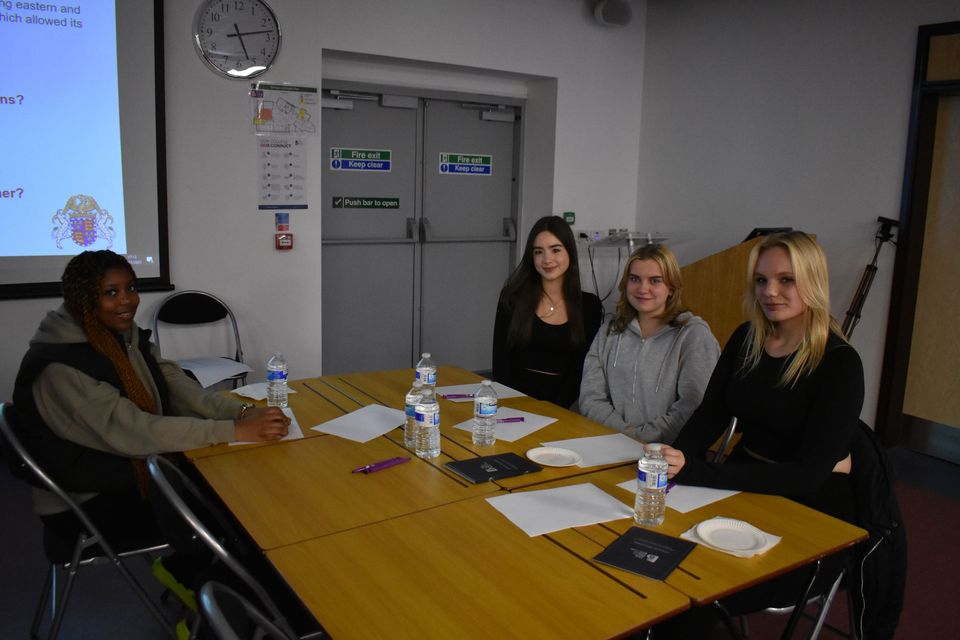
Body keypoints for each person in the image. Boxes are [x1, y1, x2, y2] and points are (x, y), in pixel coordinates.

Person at [9, 250, 289, 597]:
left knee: (232, 490)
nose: (127, 301)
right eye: (110, 292)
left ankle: (187, 573)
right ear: (83, 298)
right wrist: (233, 431)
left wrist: (239, 413)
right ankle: (213, 599)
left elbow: (177, 387)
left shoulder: (123, 336)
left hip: (118, 468)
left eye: (131, 288)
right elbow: (137, 430)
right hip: (87, 501)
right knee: (236, 513)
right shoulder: (60, 368)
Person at [656, 231, 864, 636]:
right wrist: (672, 462)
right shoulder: (746, 338)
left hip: (811, 513)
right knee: (659, 559)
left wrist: (697, 473)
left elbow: (806, 475)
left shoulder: (840, 363)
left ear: (813, 281)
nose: (771, 291)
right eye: (762, 280)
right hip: (744, 486)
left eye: (787, 280)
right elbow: (710, 414)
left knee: (688, 595)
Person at [578, 244, 719, 444]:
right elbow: (590, 396)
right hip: (609, 442)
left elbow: (692, 405)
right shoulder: (610, 330)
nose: (643, 289)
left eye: (655, 281)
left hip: (667, 453)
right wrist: (626, 436)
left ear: (671, 287)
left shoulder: (694, 336)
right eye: (635, 279)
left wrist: (644, 440)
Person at [492, 215, 603, 409]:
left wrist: (552, 409)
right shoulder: (512, 298)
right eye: (538, 252)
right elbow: (501, 362)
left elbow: (581, 369)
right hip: (512, 404)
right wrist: (512, 404)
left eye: (555, 250)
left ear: (570, 252)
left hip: (562, 407)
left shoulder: (589, 305)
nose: (547, 259)